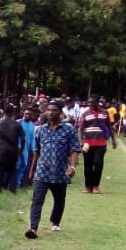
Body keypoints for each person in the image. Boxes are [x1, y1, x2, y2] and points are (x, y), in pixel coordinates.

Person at [25, 101, 82, 239]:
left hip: (60, 172)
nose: (51, 113)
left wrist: (72, 167)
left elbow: (74, 150)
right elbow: (36, 152)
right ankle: (33, 228)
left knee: (59, 200)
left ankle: (55, 222)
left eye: (54, 110)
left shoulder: (68, 130)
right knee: (37, 200)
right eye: (49, 110)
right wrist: (32, 170)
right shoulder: (40, 130)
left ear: (60, 112)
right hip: (42, 172)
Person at [78, 98, 116, 193]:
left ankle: (96, 186)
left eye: (92, 102)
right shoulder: (85, 114)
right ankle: (88, 186)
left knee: (98, 163)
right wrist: (81, 142)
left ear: (97, 102)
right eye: (89, 102)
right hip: (87, 143)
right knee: (88, 165)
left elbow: (109, 126)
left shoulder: (104, 112)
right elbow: (80, 129)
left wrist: (113, 140)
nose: (90, 104)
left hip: (101, 143)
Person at [0, 106, 24, 193]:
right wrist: (21, 149)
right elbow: (23, 138)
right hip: (13, 150)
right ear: (13, 113)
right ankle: (12, 189)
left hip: (1, 150)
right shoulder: (17, 124)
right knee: (12, 170)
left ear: (3, 113)